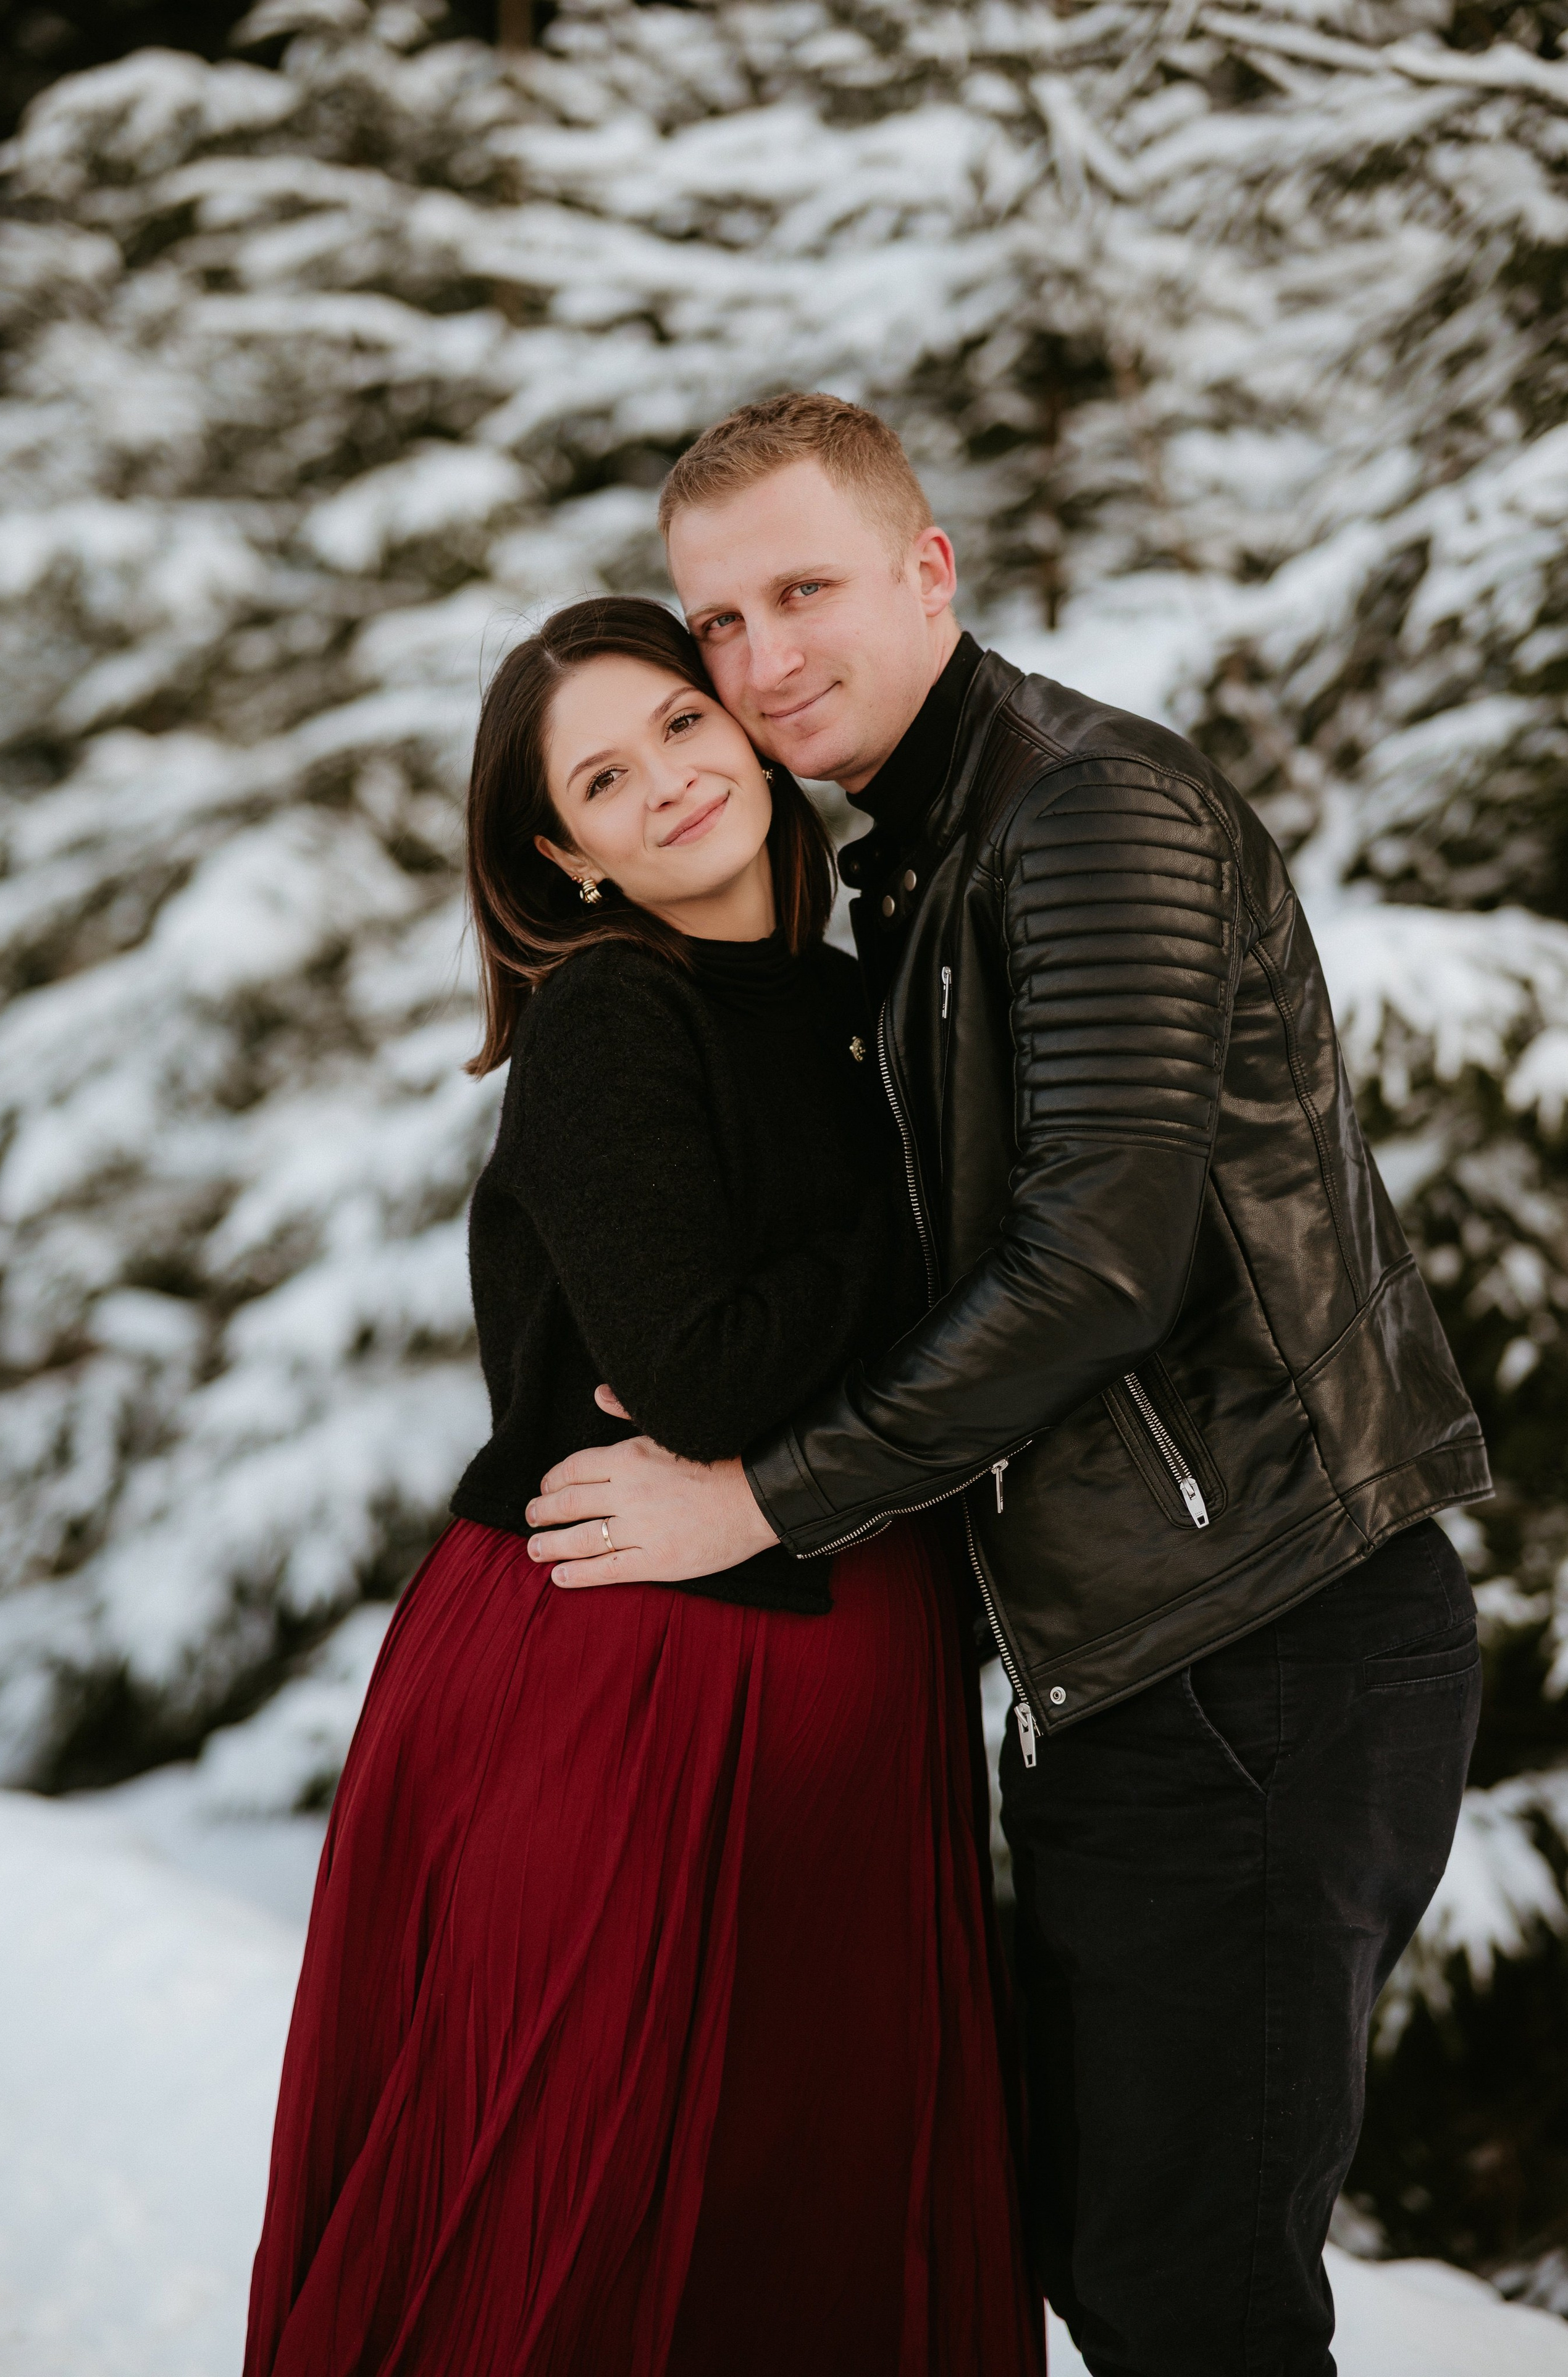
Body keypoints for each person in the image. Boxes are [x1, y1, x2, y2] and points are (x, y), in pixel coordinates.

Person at [525, 396, 1491, 2376]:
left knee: (1184, 2291)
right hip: (1149, 1656)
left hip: (1267, 1639)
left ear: (927, 566)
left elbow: (1097, 1270)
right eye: (717, 624)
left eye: (804, 589)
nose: (762, 657)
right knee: (1109, 2248)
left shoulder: (1084, 816)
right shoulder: (930, 857)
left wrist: (766, 1495)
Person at [242, 595, 1041, 2377]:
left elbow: (790, 1351)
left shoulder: (847, 998)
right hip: (626, 1678)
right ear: (564, 852)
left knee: (791, 2225)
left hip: (834, 1673)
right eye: (605, 779)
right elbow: (703, 1376)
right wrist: (928, 1243)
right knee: (575, 2223)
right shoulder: (614, 1012)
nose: (669, 782)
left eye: (681, 726)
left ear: (744, 725)